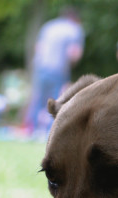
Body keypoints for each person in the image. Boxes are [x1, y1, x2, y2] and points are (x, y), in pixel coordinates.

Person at [24, 6, 84, 136]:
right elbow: (74, 53)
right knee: (57, 100)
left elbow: (38, 47)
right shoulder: (74, 29)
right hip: (58, 69)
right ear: (75, 18)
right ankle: (50, 133)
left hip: (41, 67)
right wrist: (72, 64)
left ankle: (32, 130)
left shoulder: (48, 26)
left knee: (39, 98)